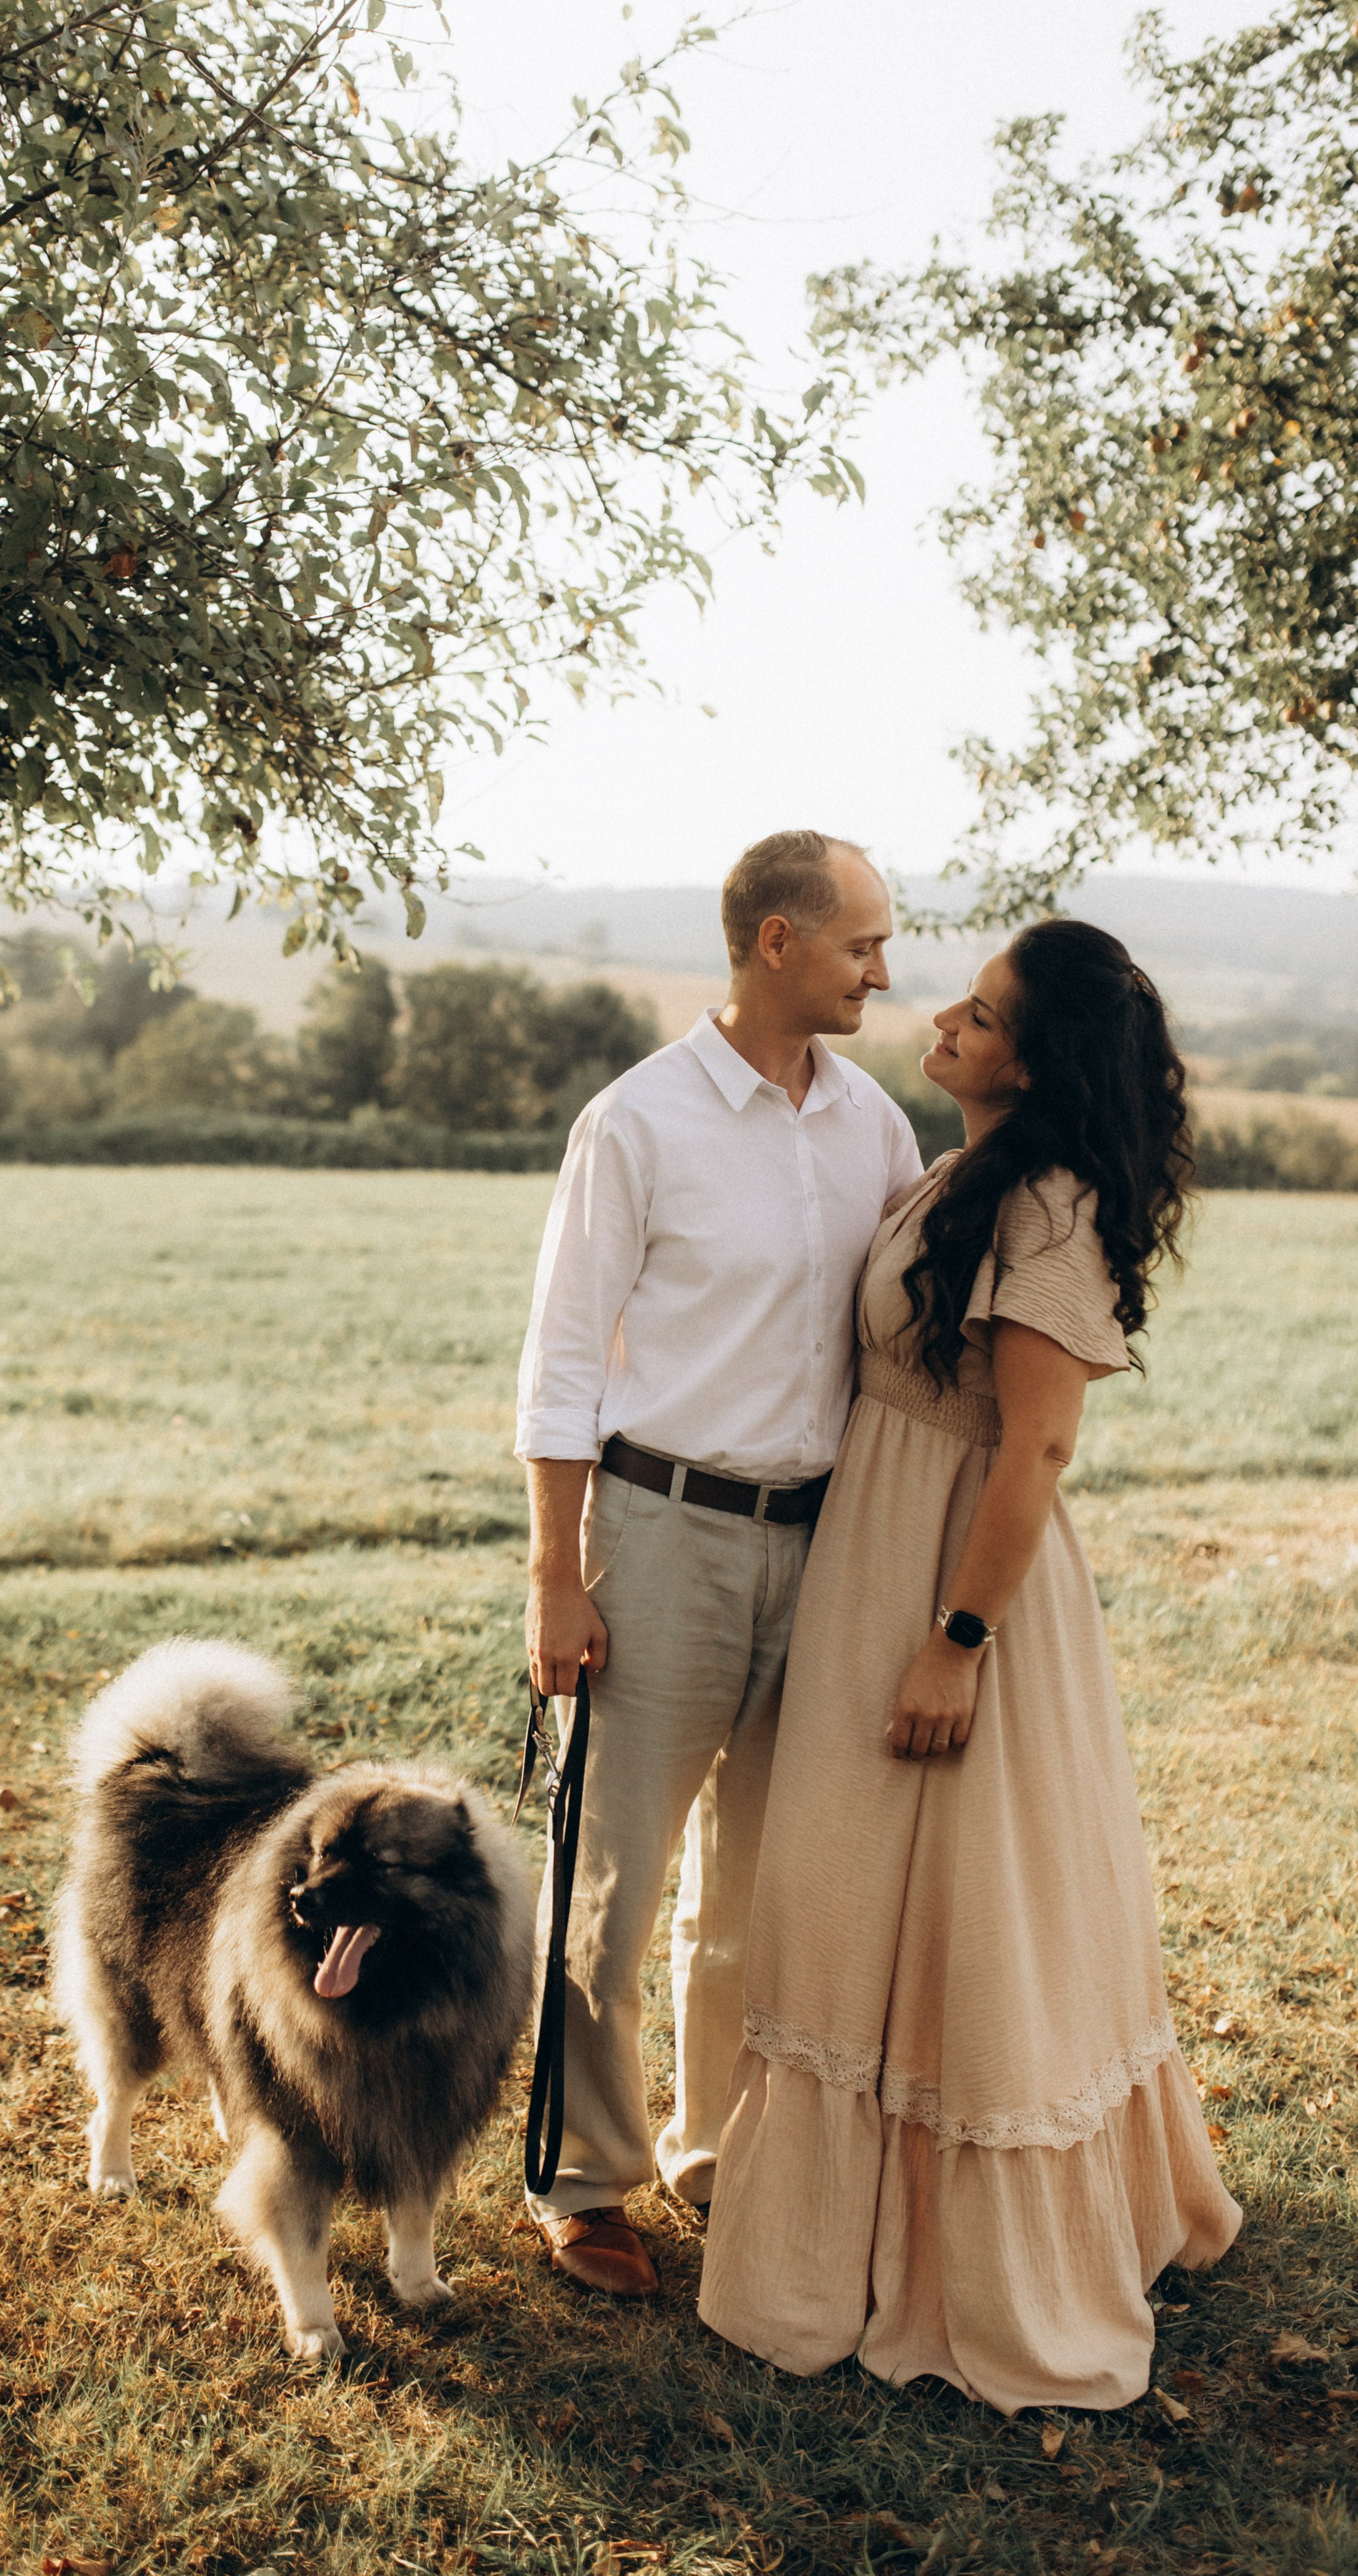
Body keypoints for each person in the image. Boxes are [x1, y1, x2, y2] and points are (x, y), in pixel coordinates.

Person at [697, 918, 1241, 2411]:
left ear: (1036, 1059)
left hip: (954, 1591)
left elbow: (1036, 1445)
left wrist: (951, 1644)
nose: (940, 1015)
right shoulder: (961, 1178)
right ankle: (842, 2242)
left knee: (965, 1912)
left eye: (982, 1014)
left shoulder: (1044, 1208)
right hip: (878, 1560)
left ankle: (979, 2263)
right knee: (850, 1896)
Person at [516, 830, 923, 2298]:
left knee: (756, 1885)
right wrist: (555, 1578)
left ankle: (715, 2152)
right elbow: (560, 1366)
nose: (883, 968)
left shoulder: (873, 1124)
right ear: (773, 944)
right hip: (658, 1533)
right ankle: (583, 2180)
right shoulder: (635, 1123)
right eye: (861, 943)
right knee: (615, 1876)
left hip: (818, 1545)